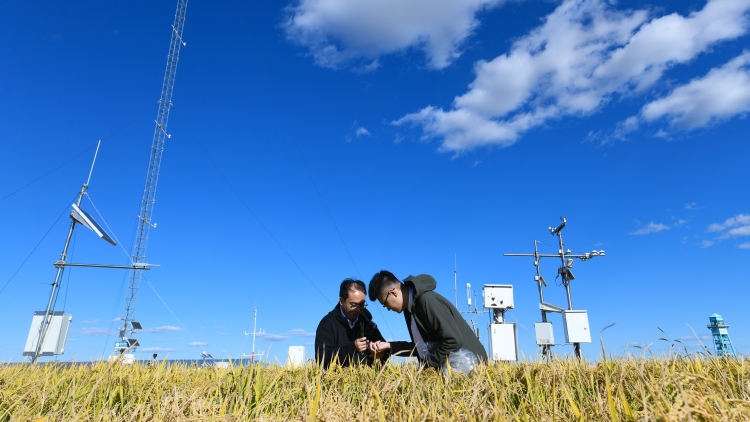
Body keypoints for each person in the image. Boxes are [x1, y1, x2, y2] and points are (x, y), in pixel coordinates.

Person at [368, 270, 488, 369]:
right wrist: (389, 346)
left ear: (393, 293)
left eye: (385, 303)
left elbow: (453, 341)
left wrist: (426, 365)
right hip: (453, 369)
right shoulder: (410, 310)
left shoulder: (426, 301)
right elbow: (420, 348)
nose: (387, 309)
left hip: (469, 368)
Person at [314, 278, 388, 369]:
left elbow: (386, 350)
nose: (358, 309)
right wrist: (352, 347)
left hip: (365, 381)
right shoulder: (327, 324)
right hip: (337, 381)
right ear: (341, 301)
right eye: (353, 305)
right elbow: (321, 358)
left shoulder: (369, 325)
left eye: (361, 305)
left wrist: (381, 352)